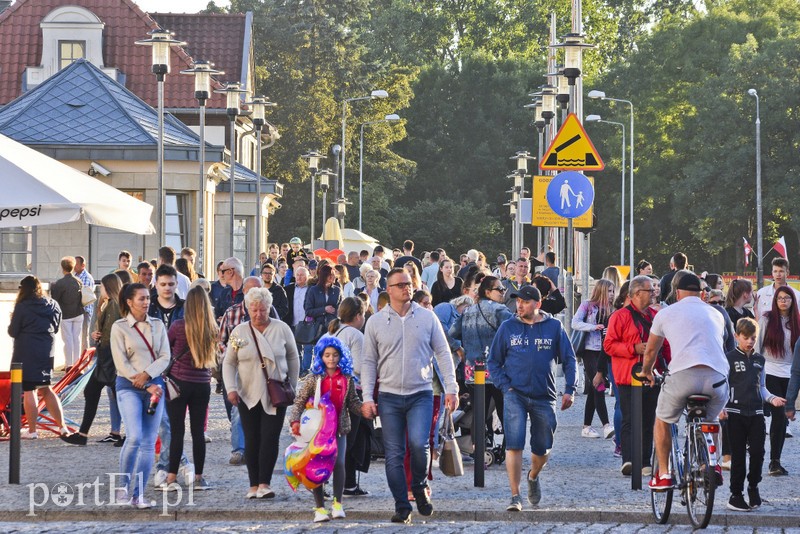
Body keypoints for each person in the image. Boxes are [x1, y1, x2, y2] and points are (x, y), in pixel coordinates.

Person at [360, 268, 459, 524]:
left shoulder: (427, 318)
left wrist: (451, 388)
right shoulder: (376, 322)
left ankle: (418, 484)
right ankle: (401, 505)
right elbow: (369, 362)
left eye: (409, 283)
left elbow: (443, 353)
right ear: (389, 290)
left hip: (421, 393)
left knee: (419, 444)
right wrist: (368, 398)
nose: (407, 287)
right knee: (393, 453)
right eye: (400, 284)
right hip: (389, 396)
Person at [487, 285, 576, 511]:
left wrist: (570, 389)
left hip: (544, 396)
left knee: (542, 447)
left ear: (538, 304)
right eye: (518, 301)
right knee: (514, 444)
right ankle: (515, 496)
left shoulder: (554, 327)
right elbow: (493, 362)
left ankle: (533, 475)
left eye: (525, 301)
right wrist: (505, 386)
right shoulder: (508, 327)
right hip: (514, 394)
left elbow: (569, 359)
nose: (520, 305)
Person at [642, 272, 730, 490]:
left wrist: (647, 371)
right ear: (701, 293)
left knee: (663, 420)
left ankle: (663, 474)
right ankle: (712, 464)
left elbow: (651, 349)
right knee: (711, 420)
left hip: (683, 376)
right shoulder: (716, 313)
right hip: (717, 379)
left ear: (677, 292)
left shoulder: (665, 313)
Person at [223, 287, 299, 499]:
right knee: (252, 438)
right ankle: (253, 484)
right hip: (247, 392)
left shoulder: (282, 328)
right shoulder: (239, 331)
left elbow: (293, 357)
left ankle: (264, 482)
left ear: (269, 308)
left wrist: (291, 385)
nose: (258, 314)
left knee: (270, 437)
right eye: (254, 310)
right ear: (248, 309)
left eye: (263, 310)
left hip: (276, 393)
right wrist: (231, 388)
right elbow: (229, 362)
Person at [110, 283, 170, 508]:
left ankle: (139, 494)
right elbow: (120, 362)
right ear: (129, 302)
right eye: (141, 299)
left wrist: (148, 375)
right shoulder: (120, 327)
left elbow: (165, 356)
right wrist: (143, 383)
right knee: (134, 436)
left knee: (148, 442)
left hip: (155, 385)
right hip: (128, 386)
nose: (146, 302)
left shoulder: (157, 325)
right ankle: (123, 486)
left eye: (147, 298)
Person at [289, 335, 362, 522]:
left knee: (339, 464)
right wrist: (295, 420)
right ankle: (320, 507)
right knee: (317, 466)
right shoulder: (314, 378)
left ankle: (338, 504)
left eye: (335, 355)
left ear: (341, 356)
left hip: (339, 429)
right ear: (321, 356)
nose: (331, 359)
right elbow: (299, 401)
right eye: (327, 355)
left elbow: (352, 402)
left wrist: (364, 409)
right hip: (317, 430)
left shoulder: (346, 378)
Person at [158, 286, 218, 492]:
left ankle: (172, 478)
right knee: (198, 433)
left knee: (177, 432)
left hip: (178, 384)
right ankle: (199, 478)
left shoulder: (177, 326)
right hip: (202, 385)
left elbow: (165, 350)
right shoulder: (212, 328)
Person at [604, 275, 664, 477]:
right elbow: (609, 345)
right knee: (630, 418)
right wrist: (634, 348)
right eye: (650, 290)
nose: (654, 293)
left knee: (648, 420)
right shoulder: (619, 316)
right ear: (637, 293)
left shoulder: (655, 316)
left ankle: (645, 461)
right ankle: (629, 459)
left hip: (651, 375)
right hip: (628, 376)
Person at [723, 317, 784, 511]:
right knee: (738, 456)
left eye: (753, 338)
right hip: (735, 413)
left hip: (757, 412)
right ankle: (736, 494)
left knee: (758, 452)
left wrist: (771, 399)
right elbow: (723, 386)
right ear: (737, 336)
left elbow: (763, 387)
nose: (750, 341)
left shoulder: (759, 359)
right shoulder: (729, 358)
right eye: (746, 337)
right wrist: (720, 407)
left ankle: (753, 486)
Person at [61, 274, 124, 446]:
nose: (100, 289)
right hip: (108, 358)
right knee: (97, 392)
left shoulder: (113, 305)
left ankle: (85, 434)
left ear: (108, 287)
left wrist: (100, 337)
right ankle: (84, 434)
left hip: (109, 358)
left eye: (102, 286)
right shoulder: (111, 304)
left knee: (117, 394)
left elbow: (113, 334)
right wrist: (98, 334)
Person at [450, 276, 513, 438]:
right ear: (487, 292)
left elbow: (449, 334)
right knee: (505, 411)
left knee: (479, 414)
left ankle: (478, 451)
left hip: (473, 372)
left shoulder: (468, 312)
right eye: (499, 289)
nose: (503, 292)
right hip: (497, 371)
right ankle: (510, 449)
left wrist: (459, 349)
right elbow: (516, 331)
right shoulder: (500, 310)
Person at [9, 275, 66, 439]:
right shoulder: (53, 304)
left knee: (28, 390)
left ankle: (32, 430)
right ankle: (62, 427)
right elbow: (55, 327)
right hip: (46, 351)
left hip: (25, 351)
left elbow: (13, 331)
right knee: (47, 389)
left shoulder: (22, 306)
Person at [327, 298, 370, 496]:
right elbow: (360, 367)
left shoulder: (332, 331)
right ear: (358, 316)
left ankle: (348, 483)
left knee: (343, 437)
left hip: (332, 390)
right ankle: (332, 481)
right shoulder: (355, 334)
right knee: (349, 439)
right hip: (351, 391)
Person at [218, 276, 263, 465]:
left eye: (260, 291)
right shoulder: (231, 313)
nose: (256, 295)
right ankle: (239, 447)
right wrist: (228, 354)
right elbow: (220, 341)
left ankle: (244, 448)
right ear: (244, 292)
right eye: (252, 291)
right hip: (236, 366)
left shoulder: (268, 312)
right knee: (236, 408)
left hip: (261, 368)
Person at [755, 285, 799, 476]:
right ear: (775, 300)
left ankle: (776, 460)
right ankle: (773, 461)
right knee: (779, 416)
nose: (783, 301)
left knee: (782, 420)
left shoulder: (797, 321)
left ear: (792, 300)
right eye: (780, 298)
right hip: (770, 371)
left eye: (786, 298)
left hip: (790, 374)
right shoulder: (767, 319)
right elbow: (757, 346)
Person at [571, 279, 615, 440]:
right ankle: (606, 425)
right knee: (599, 385)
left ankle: (586, 426)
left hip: (604, 351)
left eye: (613, 291)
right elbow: (575, 323)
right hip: (589, 350)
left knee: (593, 390)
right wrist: (592, 327)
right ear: (601, 291)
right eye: (609, 291)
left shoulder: (612, 309)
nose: (611, 294)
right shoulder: (587, 305)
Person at [50, 256, 85, 372]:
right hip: (79, 313)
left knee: (68, 340)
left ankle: (69, 364)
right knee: (77, 338)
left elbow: (54, 300)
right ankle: (77, 364)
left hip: (66, 315)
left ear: (62, 268)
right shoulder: (78, 281)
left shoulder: (59, 283)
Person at [304, 264, 342, 335]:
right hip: (316, 328)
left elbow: (341, 309)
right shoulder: (313, 290)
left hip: (333, 328)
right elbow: (308, 311)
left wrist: (335, 311)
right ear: (324, 276)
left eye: (334, 275)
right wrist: (324, 309)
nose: (334, 277)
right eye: (331, 275)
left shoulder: (337, 290)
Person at [74, 255, 95, 354]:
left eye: (76, 264)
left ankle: (85, 361)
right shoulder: (76, 276)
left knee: (83, 336)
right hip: (77, 311)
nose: (74, 266)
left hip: (84, 310)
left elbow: (85, 295)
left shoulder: (86, 277)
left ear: (83, 265)